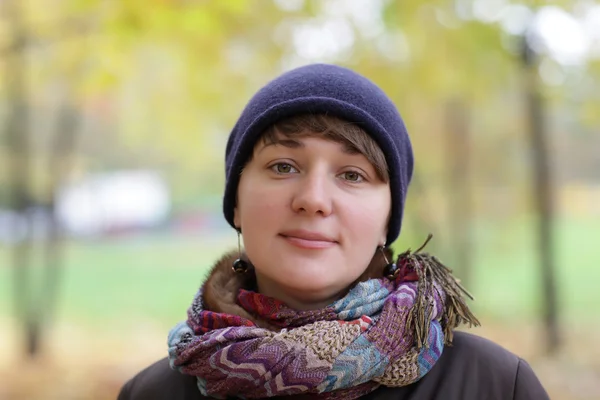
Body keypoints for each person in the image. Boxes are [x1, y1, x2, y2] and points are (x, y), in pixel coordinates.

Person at [117, 64, 549, 399]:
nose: (314, 199)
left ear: (388, 219)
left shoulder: (494, 386)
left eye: (353, 174)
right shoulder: (151, 394)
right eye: (283, 166)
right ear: (235, 202)